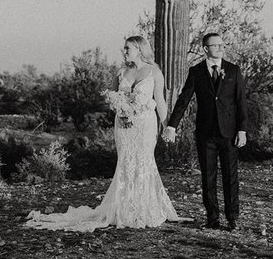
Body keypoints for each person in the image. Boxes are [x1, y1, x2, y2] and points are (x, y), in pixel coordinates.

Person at [24, 36, 188, 231]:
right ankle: (124, 208)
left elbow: (160, 101)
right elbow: (112, 98)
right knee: (126, 161)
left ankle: (144, 208)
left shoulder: (154, 72)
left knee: (143, 161)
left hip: (145, 125)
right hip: (124, 125)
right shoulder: (121, 72)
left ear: (140, 49)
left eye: (128, 48)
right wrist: (121, 110)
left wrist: (167, 126)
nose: (124, 51)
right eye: (124, 48)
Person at [162, 32, 247, 231]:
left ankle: (232, 217)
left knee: (230, 176)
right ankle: (212, 218)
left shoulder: (233, 70)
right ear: (205, 49)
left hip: (229, 132)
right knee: (208, 176)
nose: (220, 48)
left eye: (222, 45)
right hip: (205, 132)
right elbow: (184, 99)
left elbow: (241, 102)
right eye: (215, 45)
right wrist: (172, 125)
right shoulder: (196, 71)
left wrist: (242, 130)